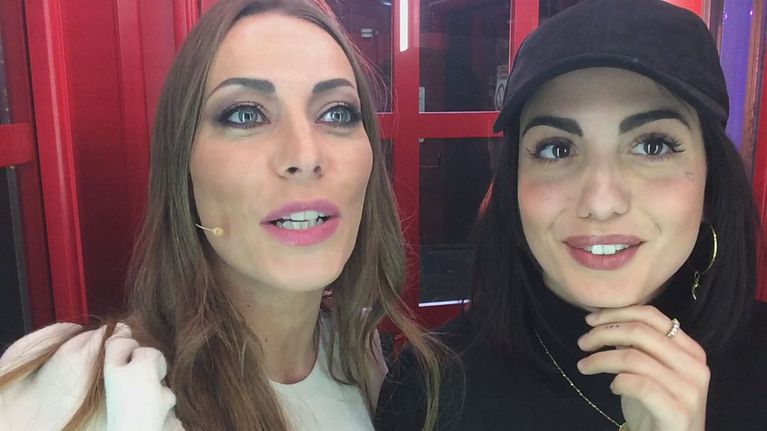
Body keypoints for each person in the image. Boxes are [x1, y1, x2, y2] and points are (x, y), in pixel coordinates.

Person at [0, 1, 445, 430]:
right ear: (183, 163)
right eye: (245, 115)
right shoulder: (87, 397)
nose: (305, 155)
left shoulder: (366, 362)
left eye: (337, 112)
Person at [376, 1, 767, 430]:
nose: (600, 202)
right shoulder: (430, 387)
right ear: (514, 184)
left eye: (652, 146)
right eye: (557, 149)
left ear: (711, 181)